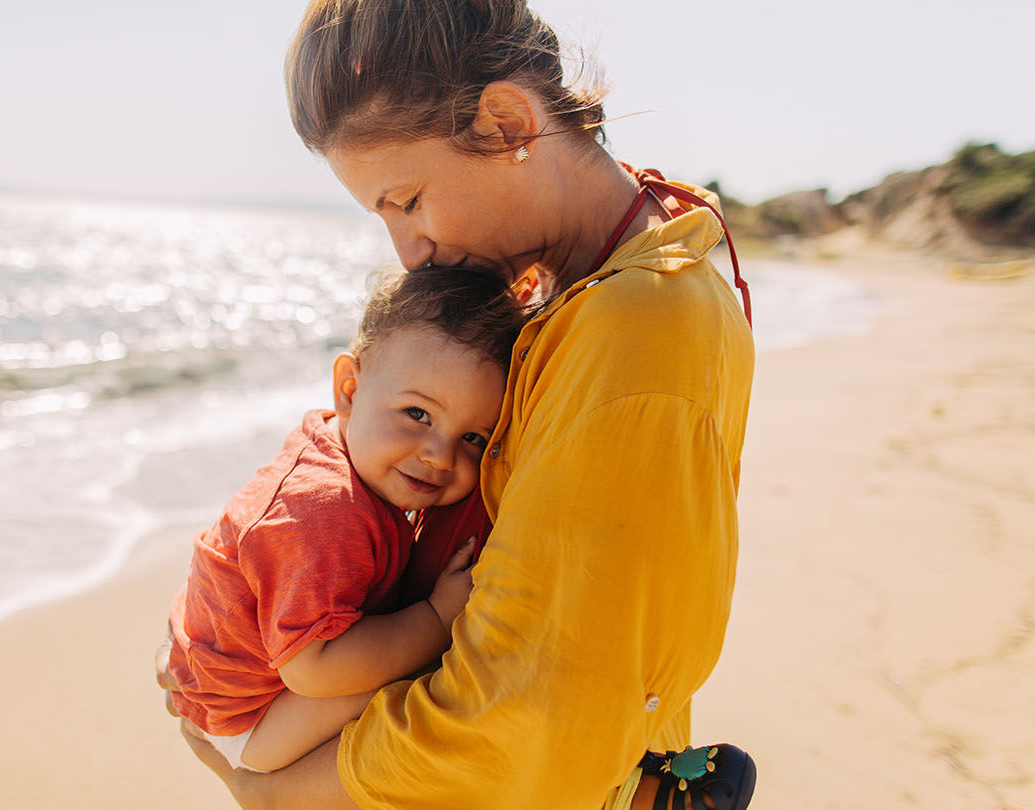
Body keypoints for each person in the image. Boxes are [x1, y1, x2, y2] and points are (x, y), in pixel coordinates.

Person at [159, 1, 758, 807]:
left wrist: (275, 793)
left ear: (510, 125)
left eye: (407, 201)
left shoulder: (637, 326)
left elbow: (523, 710)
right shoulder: (595, 289)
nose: (410, 253)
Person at [164, 266, 528, 774]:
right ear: (350, 390)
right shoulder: (326, 512)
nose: (441, 457)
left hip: (227, 666)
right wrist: (435, 619)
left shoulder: (346, 446)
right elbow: (312, 670)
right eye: (417, 415)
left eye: (474, 439)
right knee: (411, 680)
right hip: (245, 719)